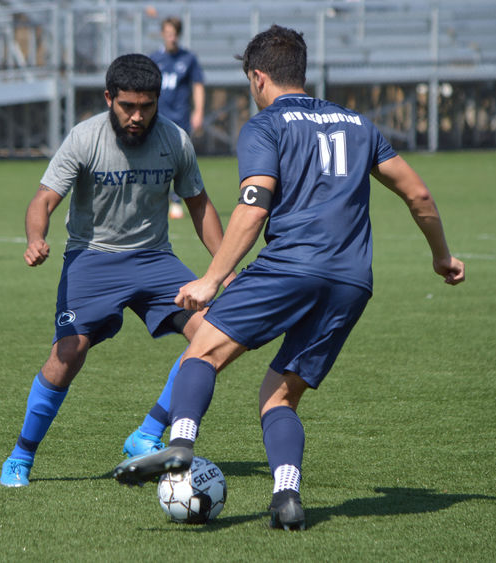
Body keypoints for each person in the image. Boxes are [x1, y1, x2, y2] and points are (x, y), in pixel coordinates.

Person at [113, 25, 466, 531]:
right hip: (351, 282)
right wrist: (442, 256)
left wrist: (213, 277)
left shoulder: (265, 126)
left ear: (258, 78)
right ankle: (286, 499)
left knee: (202, 353)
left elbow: (253, 205)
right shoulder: (358, 123)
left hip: (290, 267)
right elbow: (419, 196)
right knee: (279, 396)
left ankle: (180, 446)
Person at [0, 53, 233, 487]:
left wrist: (223, 270)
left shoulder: (175, 140)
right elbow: (44, 199)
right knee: (68, 354)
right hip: (92, 257)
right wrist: (36, 237)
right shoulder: (84, 138)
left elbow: (198, 205)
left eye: (146, 106)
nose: (137, 116)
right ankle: (20, 456)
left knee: (213, 335)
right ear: (109, 98)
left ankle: (146, 434)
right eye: (127, 106)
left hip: (154, 259)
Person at [150, 16, 206, 220]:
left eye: (174, 34)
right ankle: (157, 198)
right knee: (155, 158)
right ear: (163, 34)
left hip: (180, 117)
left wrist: (198, 111)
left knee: (179, 160)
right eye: (167, 33)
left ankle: (176, 200)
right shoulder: (154, 59)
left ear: (178, 35)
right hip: (157, 118)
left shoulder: (188, 58)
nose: (171, 38)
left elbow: (197, 85)